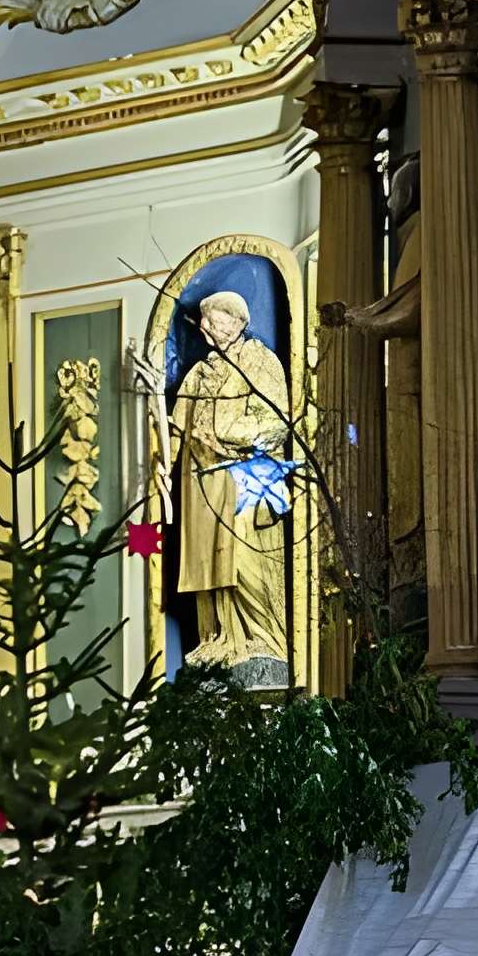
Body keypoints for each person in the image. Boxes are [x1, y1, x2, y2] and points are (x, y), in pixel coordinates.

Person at [170, 288, 294, 673]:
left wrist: (234, 434)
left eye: (216, 319)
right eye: (205, 321)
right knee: (208, 565)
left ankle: (263, 636)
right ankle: (218, 638)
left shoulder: (262, 363)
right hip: (202, 483)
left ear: (239, 322)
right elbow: (176, 426)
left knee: (245, 558)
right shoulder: (200, 373)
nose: (207, 327)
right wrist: (160, 465)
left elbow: (278, 420)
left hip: (245, 478)